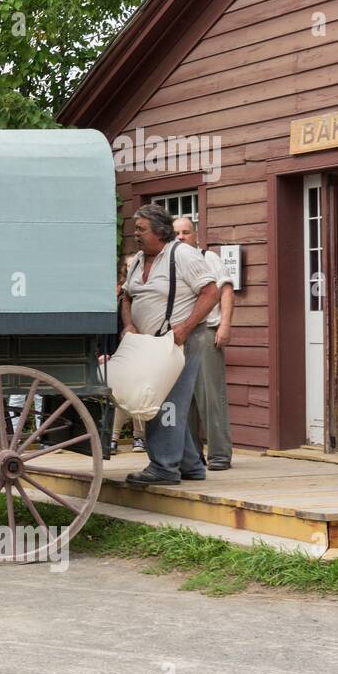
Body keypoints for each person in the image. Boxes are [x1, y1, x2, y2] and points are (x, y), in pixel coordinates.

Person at [121, 204, 220, 485]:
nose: (136, 234)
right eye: (135, 229)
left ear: (160, 232)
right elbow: (127, 296)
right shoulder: (140, 259)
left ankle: (164, 467)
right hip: (149, 344)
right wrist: (128, 324)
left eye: (141, 229)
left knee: (164, 402)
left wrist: (185, 329)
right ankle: (191, 466)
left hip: (180, 342)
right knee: (165, 401)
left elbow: (211, 292)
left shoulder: (182, 255)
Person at [173, 216, 234, 471]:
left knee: (211, 396)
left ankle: (219, 455)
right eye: (176, 233)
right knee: (184, 398)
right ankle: (193, 455)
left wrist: (225, 325)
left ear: (195, 235)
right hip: (180, 336)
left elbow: (226, 290)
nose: (181, 237)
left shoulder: (209, 258)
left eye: (186, 232)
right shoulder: (172, 263)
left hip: (208, 331)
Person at [102, 254, 145, 454]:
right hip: (120, 346)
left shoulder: (145, 289)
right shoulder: (118, 294)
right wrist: (106, 351)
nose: (131, 269)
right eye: (128, 266)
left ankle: (139, 438)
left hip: (142, 344)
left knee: (140, 391)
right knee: (119, 394)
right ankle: (113, 438)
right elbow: (110, 327)